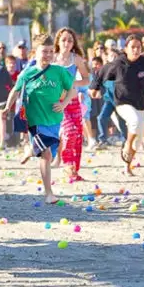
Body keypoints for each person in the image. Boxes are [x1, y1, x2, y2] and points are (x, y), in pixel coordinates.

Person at [3, 33, 75, 204]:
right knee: (46, 154)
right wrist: (7, 107)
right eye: (45, 51)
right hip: (34, 121)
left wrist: (64, 103)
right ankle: (48, 193)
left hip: (54, 120)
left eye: (51, 51)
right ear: (35, 52)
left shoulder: (59, 71)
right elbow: (15, 90)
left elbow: (72, 90)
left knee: (49, 155)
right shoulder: (27, 73)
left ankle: (30, 150)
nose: (48, 55)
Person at [89, 34, 144, 175]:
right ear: (126, 49)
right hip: (122, 103)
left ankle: (127, 166)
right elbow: (102, 72)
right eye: (132, 47)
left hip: (141, 104)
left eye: (138, 47)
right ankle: (127, 145)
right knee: (133, 121)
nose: (136, 50)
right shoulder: (117, 64)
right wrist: (94, 88)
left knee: (138, 141)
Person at [52, 27, 90, 182]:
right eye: (63, 40)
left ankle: (73, 168)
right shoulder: (52, 58)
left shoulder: (77, 59)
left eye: (70, 40)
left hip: (73, 100)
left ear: (73, 43)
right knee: (68, 132)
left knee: (76, 134)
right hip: (56, 102)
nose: (66, 43)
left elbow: (87, 80)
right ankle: (67, 166)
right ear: (58, 42)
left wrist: (73, 82)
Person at [95, 50, 127, 149]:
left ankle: (126, 140)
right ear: (107, 58)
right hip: (109, 99)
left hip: (120, 100)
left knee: (121, 122)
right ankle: (102, 140)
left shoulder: (122, 69)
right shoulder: (105, 70)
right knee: (101, 117)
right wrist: (98, 90)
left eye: (115, 55)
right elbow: (99, 83)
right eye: (111, 55)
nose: (113, 57)